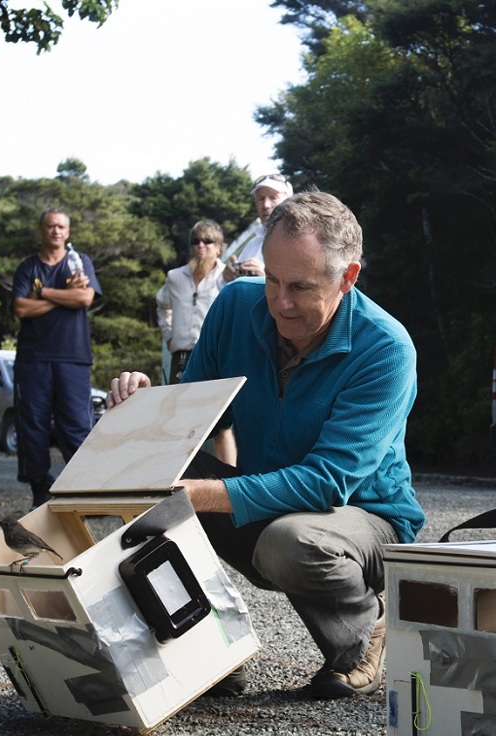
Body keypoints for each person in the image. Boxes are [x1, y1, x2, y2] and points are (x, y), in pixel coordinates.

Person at [107, 191, 426, 700]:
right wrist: (145, 408)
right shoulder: (237, 304)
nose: (279, 302)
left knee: (290, 542)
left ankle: (364, 634)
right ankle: (207, 649)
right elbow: (192, 418)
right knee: (137, 463)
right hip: (269, 498)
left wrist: (197, 496)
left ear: (348, 277)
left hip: (365, 518)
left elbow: (327, 481)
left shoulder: (386, 349)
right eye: (272, 280)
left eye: (300, 287)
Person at [12, 208, 101, 508]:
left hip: (73, 358)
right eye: (51, 226)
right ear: (41, 230)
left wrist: (43, 294)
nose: (56, 231)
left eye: (62, 226)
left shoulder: (79, 262)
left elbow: (85, 298)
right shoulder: (27, 268)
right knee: (33, 425)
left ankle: (84, 491)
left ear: (68, 232)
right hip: (32, 359)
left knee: (77, 425)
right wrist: (62, 295)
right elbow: (21, 309)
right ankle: (40, 489)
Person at [156, 219, 226, 385]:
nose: (200, 245)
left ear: (219, 247)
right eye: (195, 241)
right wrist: (169, 335)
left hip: (214, 356)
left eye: (207, 240)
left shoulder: (226, 278)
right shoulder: (175, 277)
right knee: (178, 406)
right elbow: (162, 305)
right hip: (181, 356)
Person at [222, 173, 293, 283]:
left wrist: (265, 278)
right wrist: (227, 278)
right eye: (261, 199)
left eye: (273, 198)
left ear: (289, 202)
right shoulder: (253, 243)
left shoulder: (298, 242)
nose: (265, 205)